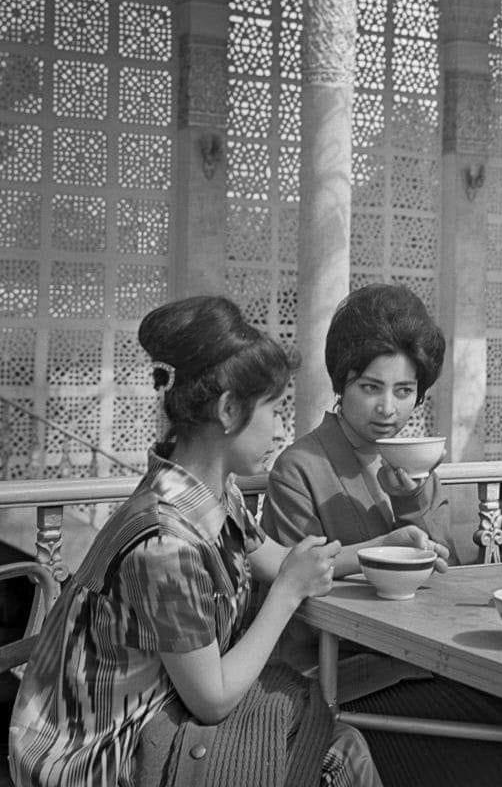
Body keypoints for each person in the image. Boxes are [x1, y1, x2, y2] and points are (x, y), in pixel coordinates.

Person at [10, 295, 382, 787]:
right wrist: (289, 594)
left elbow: (277, 560)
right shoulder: (167, 542)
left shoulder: (210, 491)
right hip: (97, 757)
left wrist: (387, 549)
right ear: (230, 410)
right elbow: (213, 699)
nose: (280, 426)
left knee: (335, 737)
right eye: (274, 408)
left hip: (154, 716)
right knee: (337, 753)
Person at [263, 283, 502, 787]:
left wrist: (410, 502)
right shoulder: (299, 467)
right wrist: (380, 551)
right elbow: (294, 594)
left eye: (404, 391)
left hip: (427, 663)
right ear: (341, 384)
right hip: (341, 679)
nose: (388, 409)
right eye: (370, 387)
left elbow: (443, 574)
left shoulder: (418, 468)